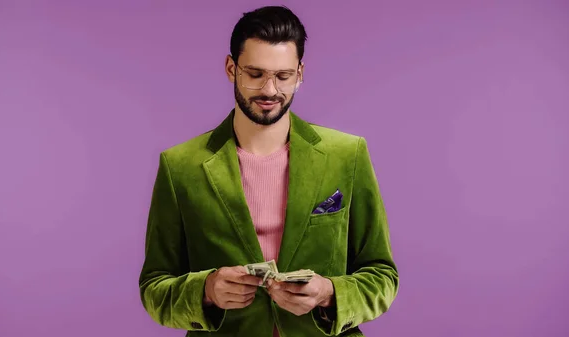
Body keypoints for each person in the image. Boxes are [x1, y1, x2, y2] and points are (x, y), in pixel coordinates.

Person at [138, 5, 399, 337]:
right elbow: (154, 288)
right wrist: (207, 290)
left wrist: (328, 293)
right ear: (231, 69)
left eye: (283, 76)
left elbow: (382, 275)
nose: (270, 90)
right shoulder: (180, 166)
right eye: (255, 74)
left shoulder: (347, 155)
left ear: (300, 74)